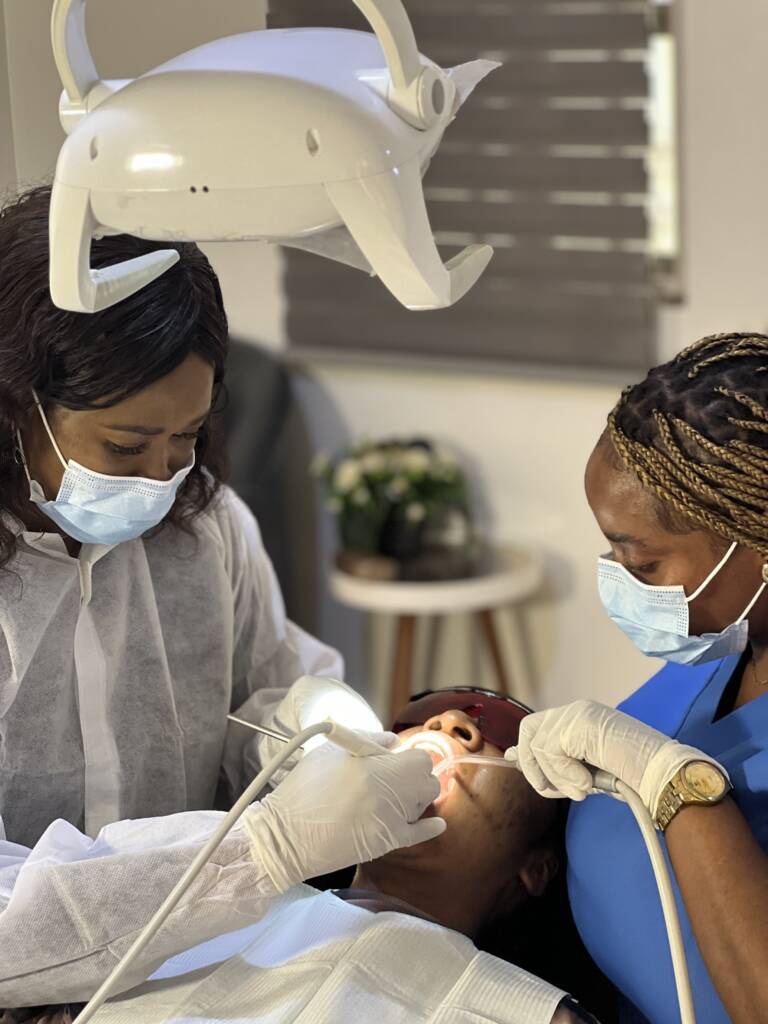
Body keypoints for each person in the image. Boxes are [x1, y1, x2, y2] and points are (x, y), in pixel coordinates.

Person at [0, 185, 443, 1010]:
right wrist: (260, 849)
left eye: (188, 435)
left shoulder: (207, 529)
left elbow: (265, 689)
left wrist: (316, 736)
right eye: (127, 445)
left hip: (198, 958)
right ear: (18, 405)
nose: (164, 475)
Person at [513, 332, 768, 1024]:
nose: (619, 583)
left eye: (646, 565)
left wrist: (680, 789)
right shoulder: (723, 652)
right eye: (610, 551)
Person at [81, 688, 601, 1024]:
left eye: (502, 735)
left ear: (537, 869)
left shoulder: (528, 1012)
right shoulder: (217, 882)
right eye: (417, 717)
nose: (447, 723)